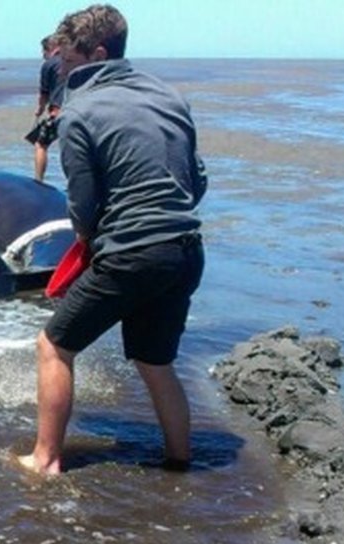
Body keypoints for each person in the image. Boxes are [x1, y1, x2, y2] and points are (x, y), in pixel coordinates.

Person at [18, 4, 208, 477]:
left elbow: (82, 204)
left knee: (54, 345)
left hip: (132, 252)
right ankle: (180, 461)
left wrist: (86, 243)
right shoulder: (169, 96)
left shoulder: (80, 111)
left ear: (97, 53)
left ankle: (44, 459)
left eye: (66, 59)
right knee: (155, 361)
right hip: (186, 250)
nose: (59, 68)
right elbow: (197, 180)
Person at [25, 34, 65, 182]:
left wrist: (40, 110)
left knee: (41, 144)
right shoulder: (75, 62)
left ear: (50, 49)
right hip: (77, 110)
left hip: (58, 113)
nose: (43, 55)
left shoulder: (49, 64)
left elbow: (44, 94)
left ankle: (38, 180)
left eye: (43, 51)